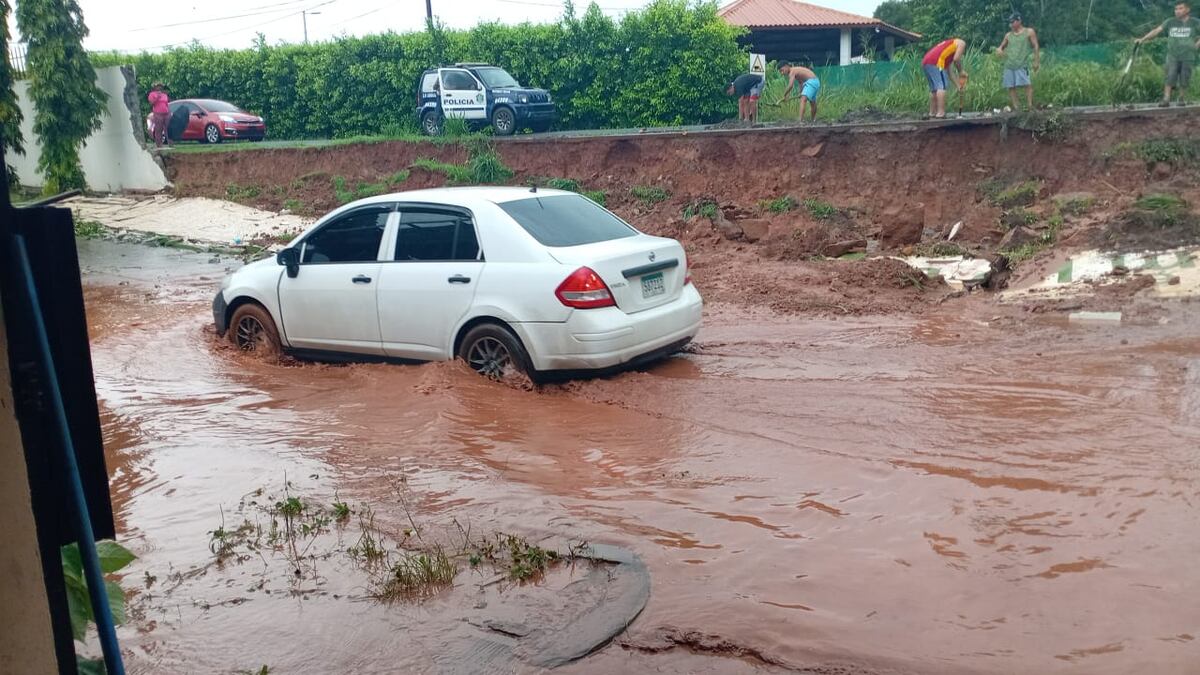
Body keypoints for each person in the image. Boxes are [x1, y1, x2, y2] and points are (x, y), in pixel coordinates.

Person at [1136, 2, 1200, 107]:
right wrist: (1142, 39)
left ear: (1187, 10)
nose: (1177, 11)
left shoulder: (1195, 22)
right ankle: (1166, 99)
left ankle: (1181, 98)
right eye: (1176, 9)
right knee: (1170, 76)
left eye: (1180, 8)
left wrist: (1197, 45)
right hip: (1173, 55)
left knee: (1185, 77)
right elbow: (1156, 31)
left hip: (1188, 55)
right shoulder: (1170, 21)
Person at [997, 13, 1040, 111]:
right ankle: (1017, 108)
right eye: (1010, 23)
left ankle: (1029, 106)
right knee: (1010, 86)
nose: (1011, 25)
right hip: (1009, 64)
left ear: (1019, 21)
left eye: (1012, 22)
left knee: (1027, 84)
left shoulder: (1029, 32)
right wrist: (999, 50)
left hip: (1022, 63)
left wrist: (1036, 61)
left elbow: (1036, 46)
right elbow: (1001, 47)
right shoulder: (1008, 35)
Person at [921, 37, 968, 118]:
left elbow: (950, 72)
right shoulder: (961, 43)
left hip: (927, 61)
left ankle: (932, 113)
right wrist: (961, 71)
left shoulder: (947, 51)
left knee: (934, 89)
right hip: (936, 61)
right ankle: (941, 113)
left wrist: (958, 86)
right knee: (941, 86)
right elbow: (956, 59)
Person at [147, 82, 170, 147]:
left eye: (160, 86)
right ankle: (159, 144)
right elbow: (151, 103)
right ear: (154, 87)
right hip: (158, 113)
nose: (159, 87)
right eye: (158, 86)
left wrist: (168, 111)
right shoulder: (152, 94)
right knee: (158, 129)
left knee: (167, 128)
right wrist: (157, 97)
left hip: (166, 113)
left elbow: (166, 103)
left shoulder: (164, 95)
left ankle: (169, 143)